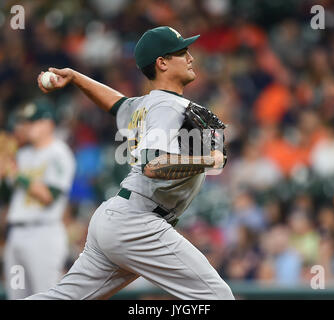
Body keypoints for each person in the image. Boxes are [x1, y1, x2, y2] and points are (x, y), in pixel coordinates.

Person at [26, 26, 233, 300]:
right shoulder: (165, 107)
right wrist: (209, 160)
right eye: (182, 52)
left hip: (117, 218)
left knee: (63, 298)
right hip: (138, 221)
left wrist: (76, 78)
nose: (191, 57)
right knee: (216, 297)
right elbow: (153, 166)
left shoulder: (147, 104)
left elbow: (116, 103)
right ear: (162, 63)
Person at [2, 100, 76, 299]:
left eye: (33, 121)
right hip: (15, 235)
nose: (28, 126)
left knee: (46, 295)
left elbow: (49, 196)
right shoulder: (22, 155)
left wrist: (14, 173)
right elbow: (6, 196)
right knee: (15, 295)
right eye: (26, 122)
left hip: (43, 234)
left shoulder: (59, 153)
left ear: (48, 123)